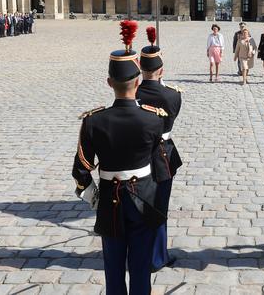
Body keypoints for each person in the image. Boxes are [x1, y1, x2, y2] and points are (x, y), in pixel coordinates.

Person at [71, 20, 167, 294]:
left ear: (109, 82)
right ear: (138, 82)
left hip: (110, 200)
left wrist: (93, 197)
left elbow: (81, 169)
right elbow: (161, 168)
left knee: (113, 270)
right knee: (140, 270)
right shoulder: (153, 119)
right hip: (144, 197)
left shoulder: (93, 122)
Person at [136, 26, 183, 273]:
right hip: (162, 156)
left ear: (140, 69)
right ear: (161, 70)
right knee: (159, 208)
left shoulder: (133, 93)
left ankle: (140, 252)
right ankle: (157, 256)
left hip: (136, 156)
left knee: (137, 207)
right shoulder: (173, 96)